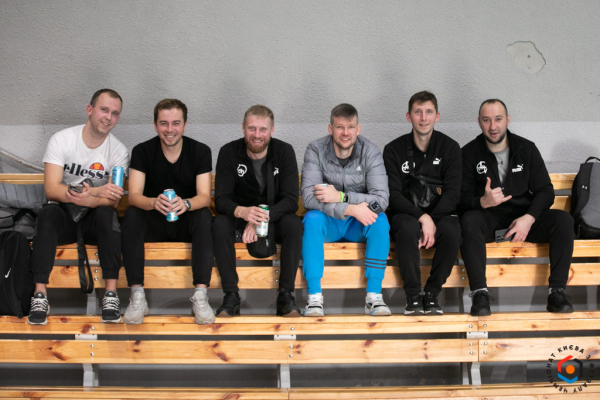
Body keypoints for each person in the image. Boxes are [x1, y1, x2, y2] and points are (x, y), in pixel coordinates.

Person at [460, 99, 574, 316]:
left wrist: (529, 218)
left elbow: (546, 191)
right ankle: (480, 294)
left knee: (563, 220)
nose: (493, 126)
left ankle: (557, 292)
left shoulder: (526, 149)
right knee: (469, 220)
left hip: (524, 220)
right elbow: (459, 199)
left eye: (498, 119)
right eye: (486, 120)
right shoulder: (468, 153)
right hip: (490, 221)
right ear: (479, 122)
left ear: (508, 120)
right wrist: (481, 202)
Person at [28, 89, 129, 325]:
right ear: (90, 110)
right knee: (48, 213)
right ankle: (39, 295)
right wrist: (94, 192)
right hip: (64, 214)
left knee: (108, 215)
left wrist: (91, 198)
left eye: (115, 113)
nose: (108, 117)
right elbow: (52, 189)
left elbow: (114, 199)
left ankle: (111, 295)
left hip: (95, 218)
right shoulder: (62, 139)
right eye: (104, 110)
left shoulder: (119, 151)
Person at [121, 99, 214, 325]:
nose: (170, 129)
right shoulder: (142, 151)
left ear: (185, 125)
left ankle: (200, 296)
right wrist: (153, 203)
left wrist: (187, 204)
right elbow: (133, 196)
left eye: (175, 123)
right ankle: (137, 296)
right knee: (131, 214)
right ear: (155, 125)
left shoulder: (200, 151)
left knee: (204, 215)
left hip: (185, 223)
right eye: (164, 123)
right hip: (154, 221)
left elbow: (204, 196)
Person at [301, 103, 391, 317]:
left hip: (356, 225)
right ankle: (314, 297)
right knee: (312, 219)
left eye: (350, 127)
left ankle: (374, 296)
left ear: (358, 129)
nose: (345, 133)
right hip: (329, 222)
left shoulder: (370, 151)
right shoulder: (315, 149)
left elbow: (381, 200)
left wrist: (342, 197)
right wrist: (350, 208)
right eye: (339, 127)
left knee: (380, 220)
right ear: (330, 129)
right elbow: (309, 199)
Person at [213, 105, 302, 317]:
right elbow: (221, 200)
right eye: (252, 128)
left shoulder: (284, 151)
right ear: (243, 128)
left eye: (263, 129)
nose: (257, 135)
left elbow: (291, 200)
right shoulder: (228, 152)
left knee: (294, 223)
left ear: (272, 130)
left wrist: (260, 218)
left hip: (274, 218)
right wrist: (243, 213)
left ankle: (286, 296)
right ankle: (231, 296)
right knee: (219, 223)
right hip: (240, 219)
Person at [383, 91, 461, 315]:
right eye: (418, 112)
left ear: (437, 116)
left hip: (441, 215)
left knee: (453, 229)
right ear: (409, 116)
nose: (423, 118)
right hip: (407, 215)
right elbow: (393, 195)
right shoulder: (393, 149)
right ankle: (413, 296)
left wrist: (432, 220)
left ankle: (432, 294)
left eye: (428, 112)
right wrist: (422, 218)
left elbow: (453, 194)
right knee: (407, 227)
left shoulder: (450, 148)